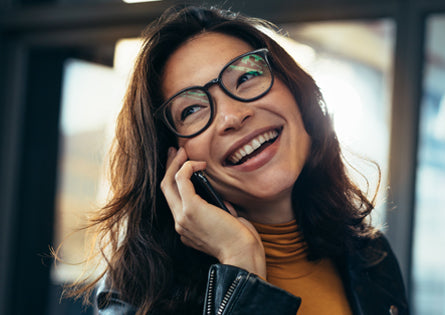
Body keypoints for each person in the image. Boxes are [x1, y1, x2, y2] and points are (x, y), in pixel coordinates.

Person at [68, 5, 407, 315]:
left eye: (246, 77)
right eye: (192, 109)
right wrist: (238, 262)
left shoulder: (369, 256)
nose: (232, 115)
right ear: (171, 159)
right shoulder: (134, 297)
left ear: (298, 96)